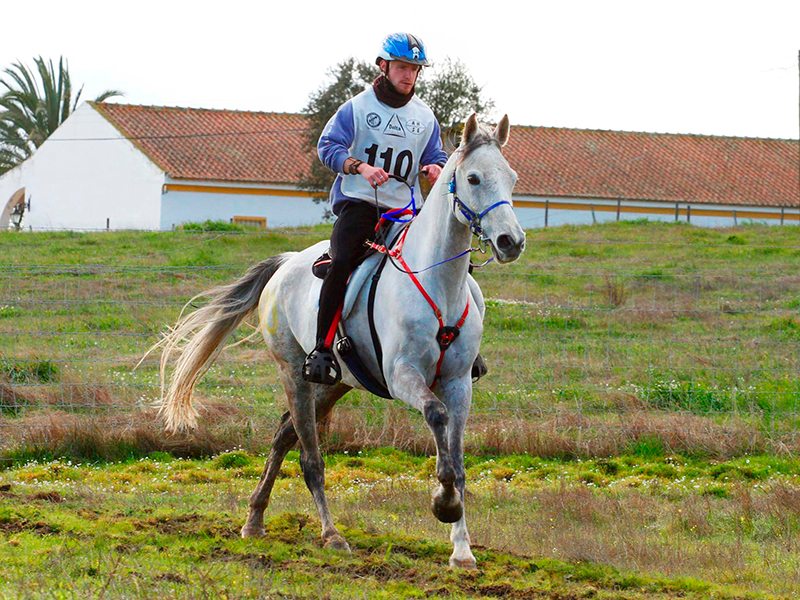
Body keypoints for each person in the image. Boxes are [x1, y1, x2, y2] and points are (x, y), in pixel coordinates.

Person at [302, 32, 448, 385]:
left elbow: (436, 154)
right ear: (383, 66)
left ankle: (461, 347)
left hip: (408, 212)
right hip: (361, 205)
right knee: (340, 264)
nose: (409, 75)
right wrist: (360, 167)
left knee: (453, 260)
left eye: (415, 69)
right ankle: (322, 350)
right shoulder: (357, 107)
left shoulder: (425, 117)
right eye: (401, 67)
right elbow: (328, 147)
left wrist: (435, 168)